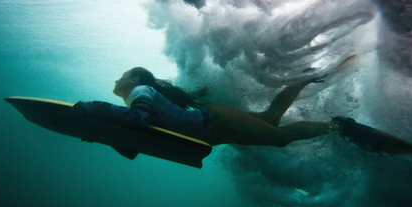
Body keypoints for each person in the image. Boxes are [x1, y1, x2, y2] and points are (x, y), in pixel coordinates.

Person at [107, 67, 340, 147]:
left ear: (135, 80)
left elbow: (136, 120)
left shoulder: (139, 92)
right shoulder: (141, 96)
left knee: (281, 138)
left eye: (122, 76)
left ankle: (338, 127)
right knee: (271, 117)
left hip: (216, 123)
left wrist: (101, 121)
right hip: (217, 124)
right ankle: (303, 79)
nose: (117, 80)